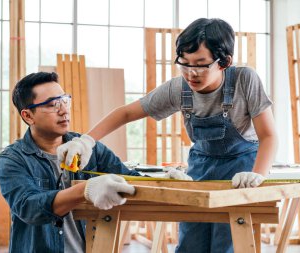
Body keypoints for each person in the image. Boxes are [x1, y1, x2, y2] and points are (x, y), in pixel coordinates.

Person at [57, 18, 278, 253]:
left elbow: (268, 135)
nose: (191, 73)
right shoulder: (179, 88)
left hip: (241, 168)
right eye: (184, 63)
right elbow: (126, 113)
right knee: (191, 241)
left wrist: (257, 175)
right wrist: (85, 141)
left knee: (227, 241)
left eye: (201, 65)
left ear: (224, 62)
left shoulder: (245, 80)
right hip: (200, 167)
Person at [0, 72, 141, 253]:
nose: (64, 110)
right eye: (52, 104)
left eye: (65, 100)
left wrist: (166, 179)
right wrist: (85, 190)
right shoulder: (12, 159)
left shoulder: (89, 148)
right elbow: (29, 207)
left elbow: (131, 180)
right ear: (28, 116)